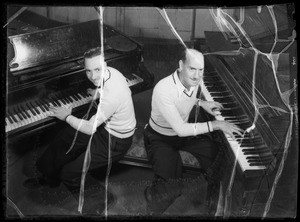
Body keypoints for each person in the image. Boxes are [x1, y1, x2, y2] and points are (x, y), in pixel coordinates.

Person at [143, 48, 243, 215]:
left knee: (217, 157)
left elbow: (185, 96)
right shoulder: (163, 89)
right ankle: (151, 198)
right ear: (181, 65)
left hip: (182, 133)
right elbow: (181, 129)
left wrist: (201, 103)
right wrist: (216, 124)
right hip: (160, 138)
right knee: (171, 189)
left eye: (200, 70)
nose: (197, 76)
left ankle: (212, 203)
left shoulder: (193, 81)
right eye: (192, 69)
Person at [24, 47, 136, 195]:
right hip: (105, 127)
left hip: (115, 141)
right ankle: (48, 177)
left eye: (97, 70)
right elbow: (111, 91)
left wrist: (66, 116)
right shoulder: (112, 72)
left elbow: (90, 127)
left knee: (69, 172)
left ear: (105, 65)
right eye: (88, 71)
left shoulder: (112, 96)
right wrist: (98, 92)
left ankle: (85, 196)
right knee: (64, 137)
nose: (93, 76)